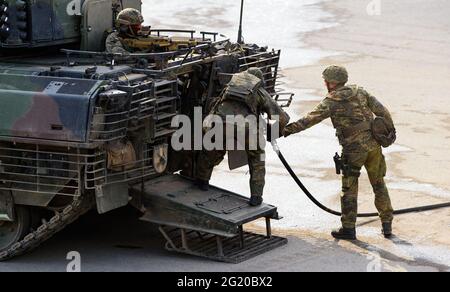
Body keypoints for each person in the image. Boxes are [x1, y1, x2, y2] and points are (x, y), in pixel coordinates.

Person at [283, 65, 395, 240]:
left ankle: (349, 228)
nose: (325, 84)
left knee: (349, 189)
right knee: (379, 184)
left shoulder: (331, 101)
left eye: (326, 81)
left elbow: (309, 120)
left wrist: (285, 130)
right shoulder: (361, 92)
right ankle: (387, 224)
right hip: (374, 146)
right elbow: (382, 111)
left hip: (353, 151)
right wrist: (389, 133)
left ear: (331, 83)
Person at [196, 68, 290, 206]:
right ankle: (256, 197)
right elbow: (282, 118)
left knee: (211, 151)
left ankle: (202, 181)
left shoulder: (230, 86)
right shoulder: (259, 91)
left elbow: (215, 106)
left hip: (221, 122)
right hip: (247, 128)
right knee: (256, 159)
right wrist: (274, 132)